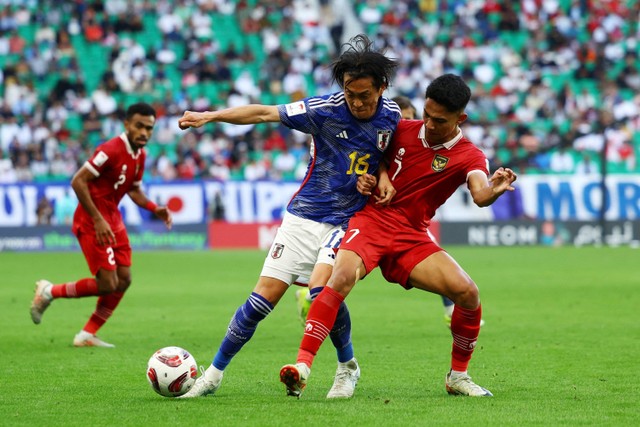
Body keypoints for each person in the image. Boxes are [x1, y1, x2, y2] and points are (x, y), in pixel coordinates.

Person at [176, 34, 401, 399]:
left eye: (365, 95)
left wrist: (381, 178)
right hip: (304, 215)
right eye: (350, 93)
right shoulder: (324, 110)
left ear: (382, 87)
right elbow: (265, 112)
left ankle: (346, 368)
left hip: (348, 220)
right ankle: (213, 375)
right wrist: (212, 116)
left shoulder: (392, 116)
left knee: (319, 291)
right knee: (259, 301)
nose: (357, 102)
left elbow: (392, 157)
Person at [280, 74, 517, 397]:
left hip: (411, 236)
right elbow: (368, 160)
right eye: (426, 113)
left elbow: (479, 193)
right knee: (341, 276)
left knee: (468, 293)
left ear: (460, 118)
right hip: (372, 220)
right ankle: (303, 366)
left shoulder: (470, 155)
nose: (429, 124)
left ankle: (458, 377)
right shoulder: (401, 130)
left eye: (439, 120)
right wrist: (370, 178)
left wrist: (495, 189)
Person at [30, 103, 173, 347]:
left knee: (124, 279)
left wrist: (153, 208)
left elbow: (134, 189)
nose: (144, 133)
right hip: (92, 220)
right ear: (126, 124)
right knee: (108, 284)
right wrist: (97, 219)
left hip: (113, 220)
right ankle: (49, 291)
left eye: (149, 128)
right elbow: (78, 181)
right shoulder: (110, 149)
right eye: (139, 126)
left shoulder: (141, 154)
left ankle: (87, 334)